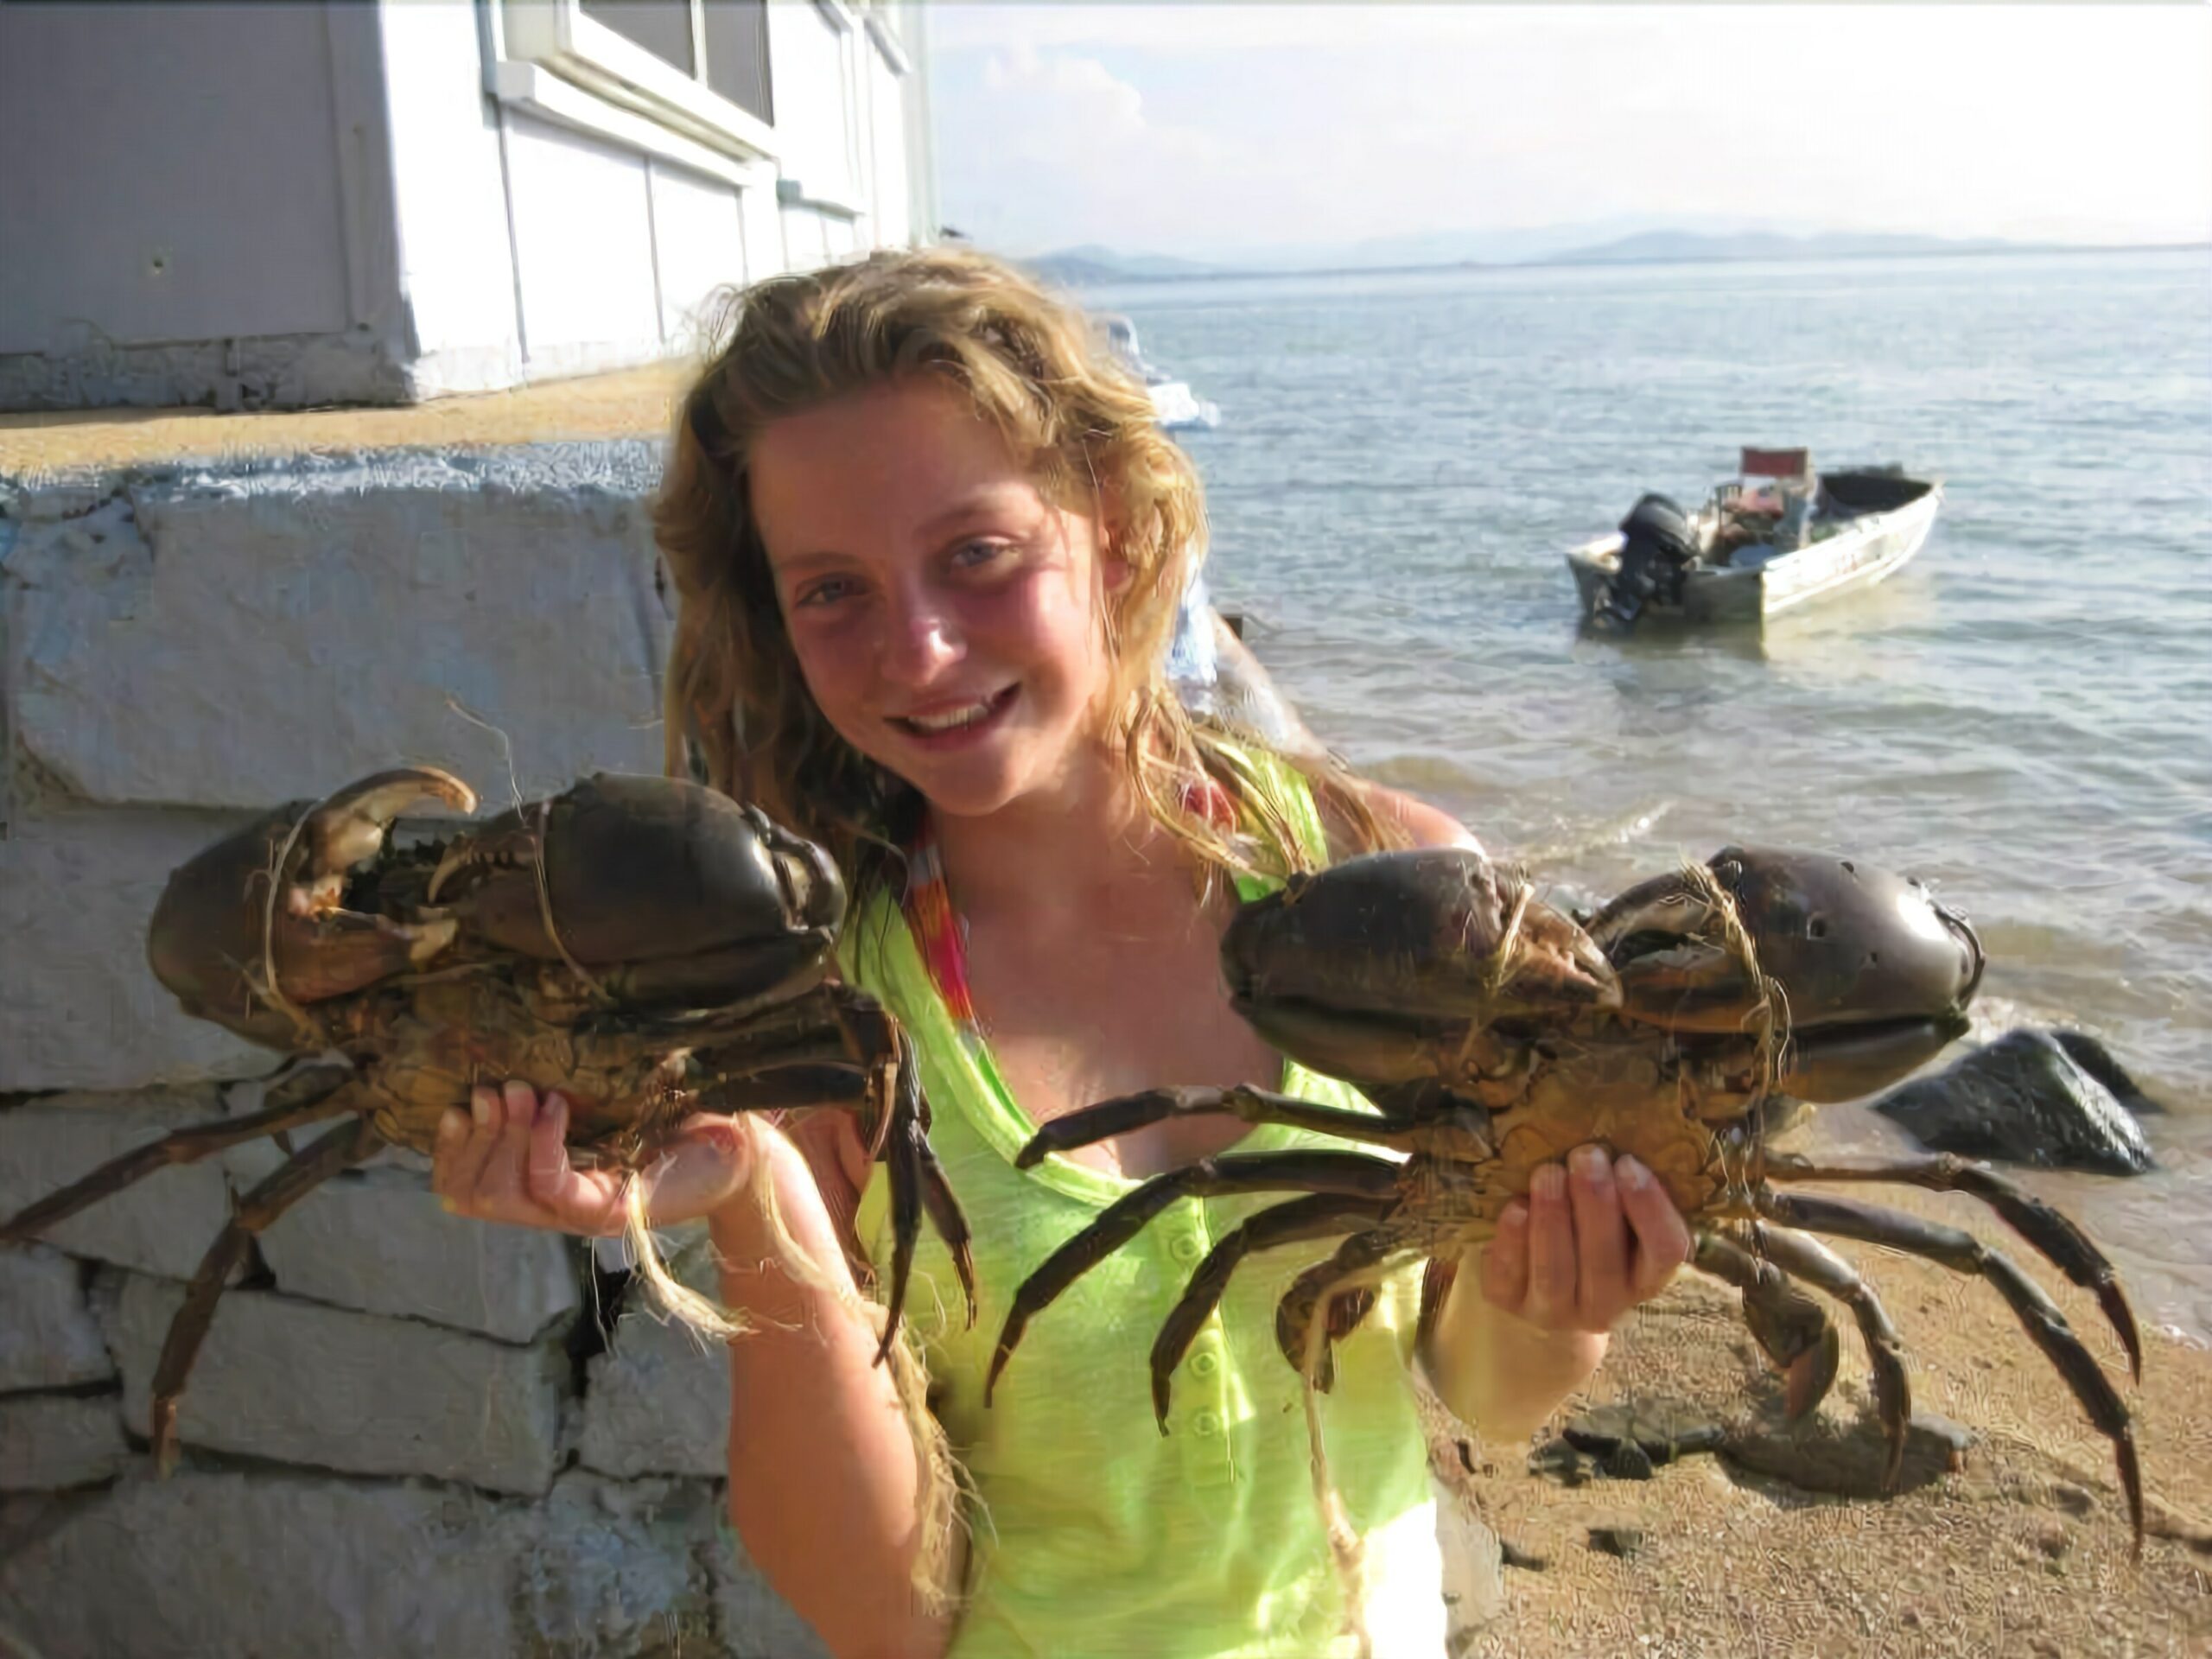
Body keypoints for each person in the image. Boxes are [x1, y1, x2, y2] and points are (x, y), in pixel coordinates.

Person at [431, 248, 1692, 1659]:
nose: (917, 651)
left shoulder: (1386, 881)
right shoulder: (821, 1018)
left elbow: (1490, 1389)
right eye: (832, 591)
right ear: (772, 623)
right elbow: (883, 1617)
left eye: (977, 555)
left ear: (1122, 529)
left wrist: (1558, 1294)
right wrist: (755, 1197)